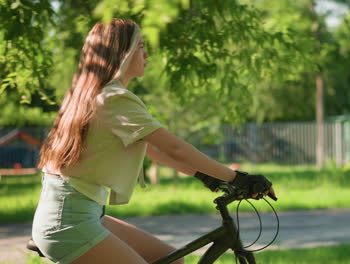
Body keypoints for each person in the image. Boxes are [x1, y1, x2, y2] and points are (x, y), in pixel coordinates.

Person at [32, 18, 276, 264]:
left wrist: (205, 176)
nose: (147, 54)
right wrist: (237, 178)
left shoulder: (99, 95)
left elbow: (152, 149)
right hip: (69, 223)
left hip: (78, 213)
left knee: (174, 261)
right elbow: (175, 148)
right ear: (122, 53)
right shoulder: (114, 99)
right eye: (140, 46)